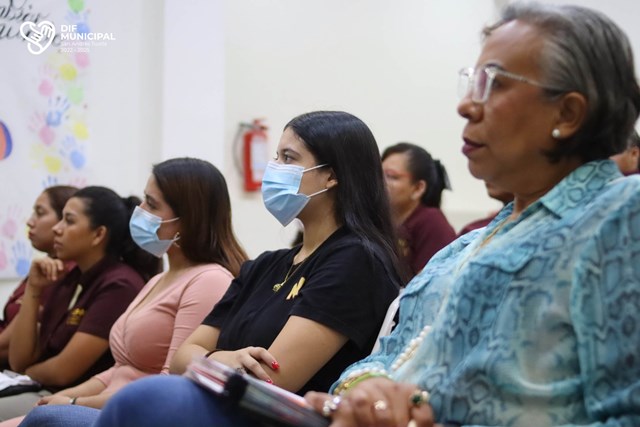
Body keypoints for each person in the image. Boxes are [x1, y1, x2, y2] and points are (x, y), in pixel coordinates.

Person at [303, 3, 640, 426]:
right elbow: (386, 356)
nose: (466, 106)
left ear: (567, 113)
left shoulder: (621, 212)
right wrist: (366, 394)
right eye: (471, 83)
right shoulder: (466, 244)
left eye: (493, 84)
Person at [32, 110, 403, 427]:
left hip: (269, 418)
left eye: (289, 158)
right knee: (52, 417)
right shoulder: (265, 266)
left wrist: (205, 360)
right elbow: (181, 357)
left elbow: (275, 377)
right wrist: (221, 359)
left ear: (331, 176)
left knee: (130, 402)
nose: (275, 169)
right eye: (275, 157)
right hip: (220, 405)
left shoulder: (356, 260)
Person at [4, 158, 245, 426]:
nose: (139, 210)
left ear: (187, 218)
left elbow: (169, 386)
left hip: (137, 415)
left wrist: (73, 403)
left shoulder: (208, 280)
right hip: (106, 404)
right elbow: (119, 370)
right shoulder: (159, 280)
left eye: (151, 204)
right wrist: (64, 398)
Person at [0, 186, 161, 421]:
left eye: (69, 221)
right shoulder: (66, 276)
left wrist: (27, 373)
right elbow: (19, 359)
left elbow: (62, 372)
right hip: (39, 386)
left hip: (73, 399)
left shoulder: (120, 285)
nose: (57, 228)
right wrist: (34, 288)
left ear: (98, 235)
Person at [0, 186, 77, 367]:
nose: (29, 222)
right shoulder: (44, 265)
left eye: (40, 213)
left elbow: (10, 345)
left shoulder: (61, 273)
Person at [381, 143, 456, 275]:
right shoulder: (380, 218)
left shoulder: (432, 221)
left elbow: (431, 284)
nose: (380, 182)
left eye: (391, 176)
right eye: (378, 174)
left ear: (418, 188)